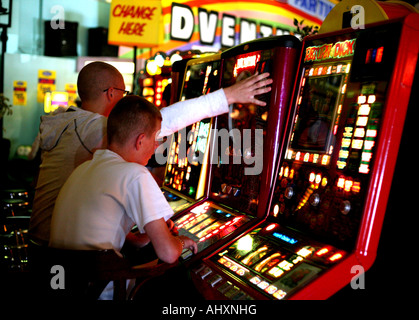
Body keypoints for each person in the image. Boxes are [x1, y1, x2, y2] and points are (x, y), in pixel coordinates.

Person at [29, 61, 272, 246]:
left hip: (46, 247)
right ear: (111, 93)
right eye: (124, 94)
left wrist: (133, 236)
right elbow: (161, 121)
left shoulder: (67, 124)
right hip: (75, 264)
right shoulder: (94, 128)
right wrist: (228, 96)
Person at [48, 96, 195, 299]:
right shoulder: (135, 174)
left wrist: (148, 236)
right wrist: (180, 242)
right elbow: (168, 253)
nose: (155, 147)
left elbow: (114, 238)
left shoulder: (83, 168)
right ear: (140, 140)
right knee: (181, 279)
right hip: (100, 290)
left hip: (63, 286)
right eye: (156, 138)